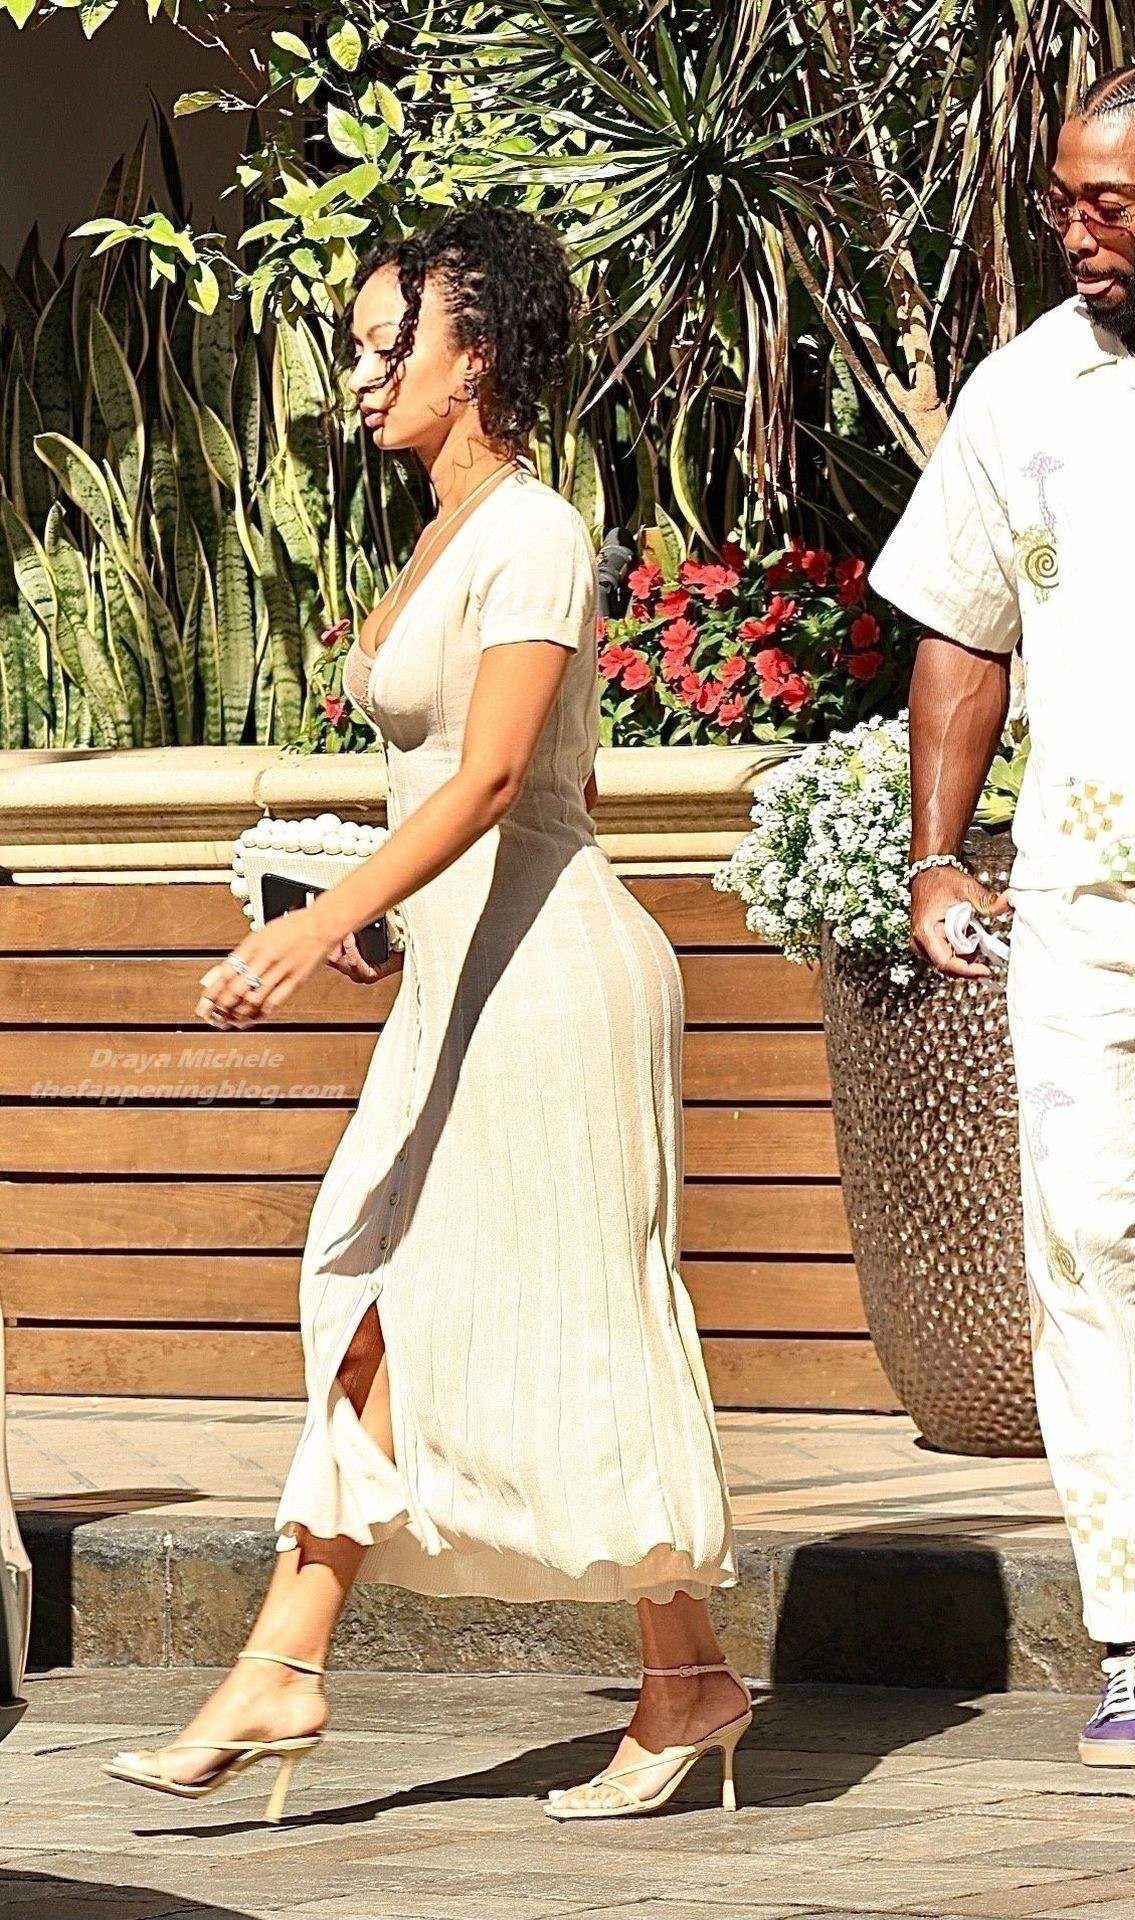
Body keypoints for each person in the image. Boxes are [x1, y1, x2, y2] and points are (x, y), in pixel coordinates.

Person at [103, 204, 750, 1823]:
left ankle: (297, 1663)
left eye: (392, 343)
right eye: (359, 346)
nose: (363, 373)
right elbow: (470, 784)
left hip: (554, 981)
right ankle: (658, 1678)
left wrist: (321, 922)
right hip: (465, 978)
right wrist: (387, 924)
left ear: (476, 356)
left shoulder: (537, 532)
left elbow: (498, 777)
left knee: (553, 1318)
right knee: (380, 1292)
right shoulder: (446, 530)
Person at [867, 60, 1135, 1767]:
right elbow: (962, 626)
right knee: (1104, 1261)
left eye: (1107, 202)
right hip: (1094, 890)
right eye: (1058, 201)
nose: (1075, 231)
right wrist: (935, 857)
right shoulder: (1020, 388)